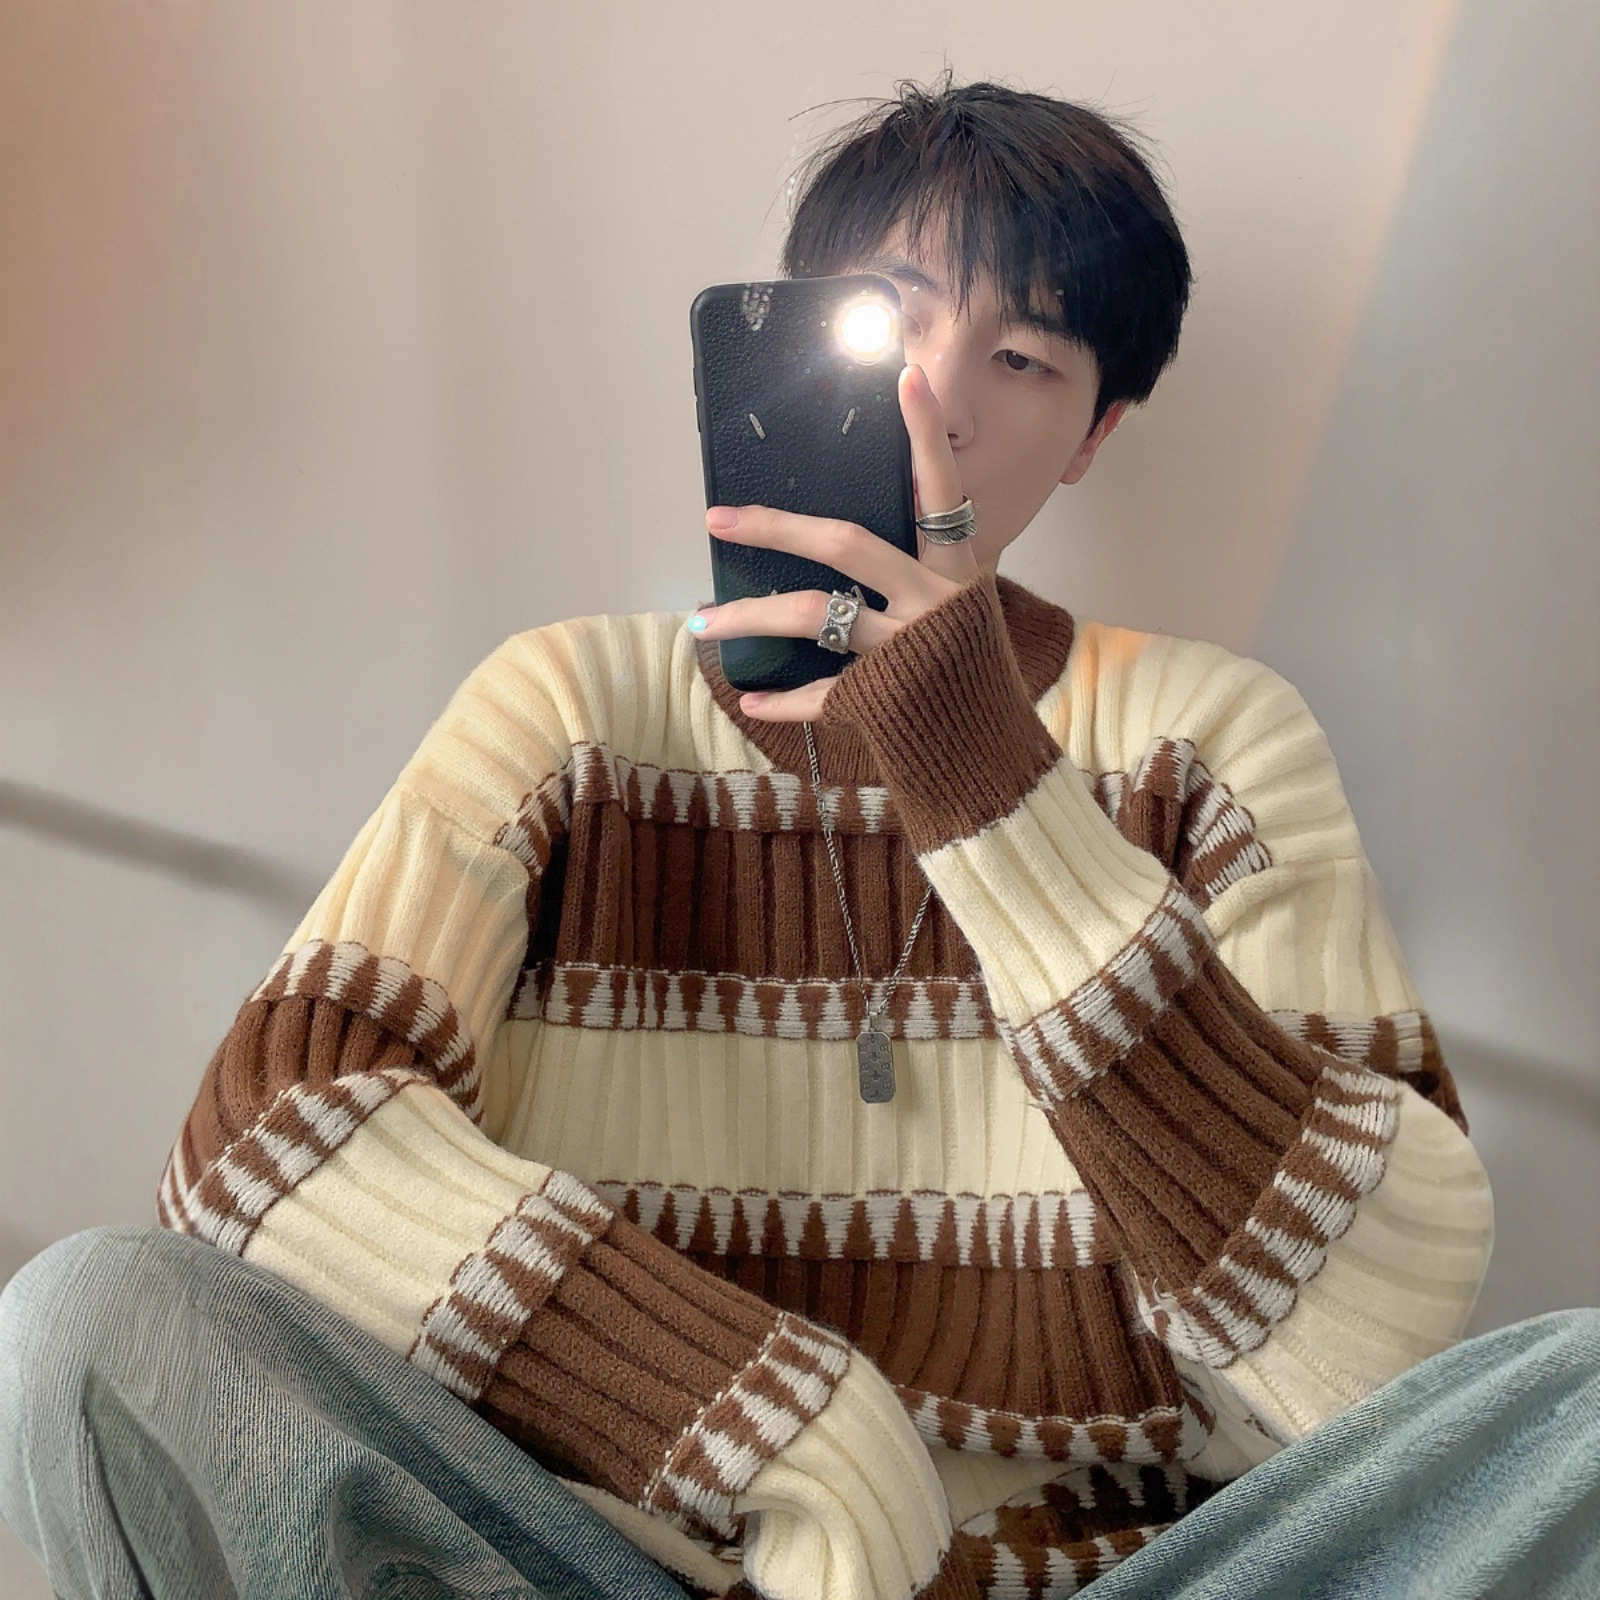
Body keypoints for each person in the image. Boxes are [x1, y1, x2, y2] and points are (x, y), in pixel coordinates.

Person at [3, 68, 1596, 1600]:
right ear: (777, 342)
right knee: (92, 1323)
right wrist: (798, 1436)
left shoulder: (1210, 736)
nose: (935, 400)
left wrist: (983, 772)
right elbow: (263, 1147)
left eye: (1021, 359)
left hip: (1124, 1573)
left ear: (1094, 436)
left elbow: (1370, 1349)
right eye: (890, 318)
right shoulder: (574, 708)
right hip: (616, 1565)